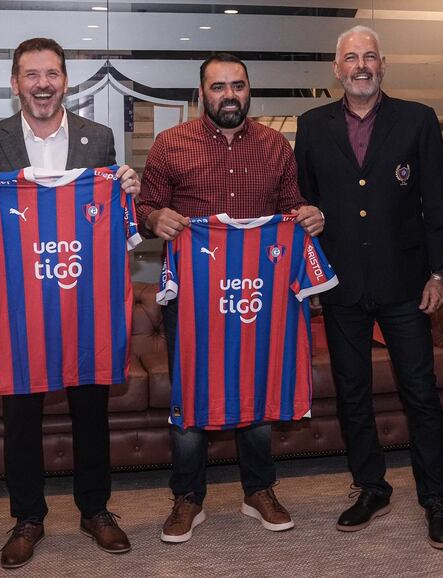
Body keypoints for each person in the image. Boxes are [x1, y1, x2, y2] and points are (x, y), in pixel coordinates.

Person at [0, 37, 139, 569]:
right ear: (15, 84)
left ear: (65, 81)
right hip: (22, 307)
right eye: (31, 75)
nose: (42, 84)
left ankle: (95, 510)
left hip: (83, 304)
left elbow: (111, 217)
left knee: (90, 409)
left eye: (52, 74)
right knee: (21, 414)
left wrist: (128, 187)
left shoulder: (98, 139)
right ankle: (28, 517)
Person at [137, 53, 324, 544]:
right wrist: (154, 219)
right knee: (190, 396)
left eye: (237, 86)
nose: (229, 95)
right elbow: (143, 208)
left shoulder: (273, 146)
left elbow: (290, 207)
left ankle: (258, 490)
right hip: (194, 299)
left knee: (257, 388)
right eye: (218, 87)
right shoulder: (171, 144)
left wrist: (306, 215)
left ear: (249, 90)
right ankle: (187, 498)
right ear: (202, 93)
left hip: (256, 295)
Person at [294, 26, 443, 549]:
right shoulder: (312, 125)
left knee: (420, 394)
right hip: (341, 286)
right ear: (336, 68)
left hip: (407, 284)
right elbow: (306, 204)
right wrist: (312, 274)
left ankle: (435, 498)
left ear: (382, 64)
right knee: (354, 395)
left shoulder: (418, 119)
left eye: (369, 57)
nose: (361, 65)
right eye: (351, 58)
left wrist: (439, 274)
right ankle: (371, 486)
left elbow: (436, 201)